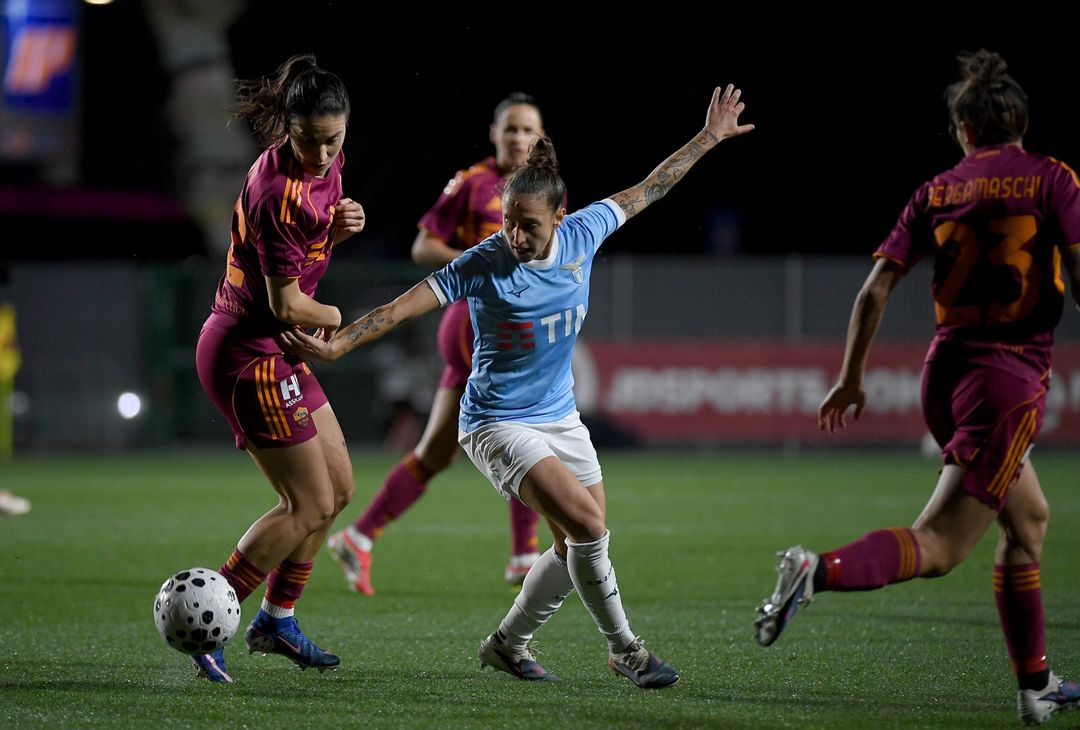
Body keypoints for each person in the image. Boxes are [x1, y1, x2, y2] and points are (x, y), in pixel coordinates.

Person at [282, 83, 753, 688]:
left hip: (561, 417)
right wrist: (340, 342)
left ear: (560, 215)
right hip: (496, 422)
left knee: (575, 545)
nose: (513, 236)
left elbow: (649, 188)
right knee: (589, 527)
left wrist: (709, 138)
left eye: (527, 226)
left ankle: (508, 644)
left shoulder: (584, 232)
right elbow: (404, 307)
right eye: (507, 221)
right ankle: (626, 650)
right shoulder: (486, 260)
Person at [753, 50, 1080, 725]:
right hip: (1007, 382)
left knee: (1029, 521)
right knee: (938, 546)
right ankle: (816, 570)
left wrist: (850, 377)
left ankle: (1035, 685)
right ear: (1019, 122)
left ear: (963, 129)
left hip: (944, 373)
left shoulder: (936, 190)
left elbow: (875, 289)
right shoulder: (1053, 179)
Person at [326, 93, 547, 595]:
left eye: (527, 130)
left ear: (540, 138)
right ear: (494, 133)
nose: (517, 138)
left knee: (435, 453)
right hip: (479, 324)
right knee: (524, 423)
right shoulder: (473, 183)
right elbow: (423, 245)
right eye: (509, 128)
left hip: (506, 325)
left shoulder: (545, 191)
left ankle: (359, 536)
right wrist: (481, 258)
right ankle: (522, 554)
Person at [190, 53, 365, 683]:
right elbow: (287, 301)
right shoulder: (276, 191)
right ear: (285, 130)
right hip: (247, 353)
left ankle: (277, 619)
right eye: (310, 141)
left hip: (278, 348)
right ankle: (205, 621)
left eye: (333, 140)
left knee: (339, 490)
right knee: (306, 503)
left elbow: (307, 249)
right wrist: (335, 310)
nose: (323, 155)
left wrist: (341, 228)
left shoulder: (326, 163)